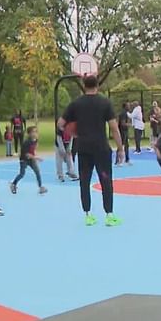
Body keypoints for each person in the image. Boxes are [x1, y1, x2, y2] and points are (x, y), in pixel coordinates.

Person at [57, 75, 125, 227]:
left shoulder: (76, 104)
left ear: (83, 85)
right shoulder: (105, 102)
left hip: (84, 147)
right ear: (97, 85)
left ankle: (88, 215)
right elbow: (114, 128)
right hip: (101, 148)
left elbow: (60, 124)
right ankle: (109, 214)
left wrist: (73, 132)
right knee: (106, 181)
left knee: (85, 182)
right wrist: (120, 148)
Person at [9, 126, 48, 195]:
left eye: (36, 131)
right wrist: (37, 158)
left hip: (31, 159)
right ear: (29, 134)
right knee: (22, 174)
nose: (35, 133)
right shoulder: (26, 142)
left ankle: (40, 187)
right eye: (33, 132)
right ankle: (13, 184)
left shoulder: (36, 140)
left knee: (37, 172)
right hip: (24, 159)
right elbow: (27, 155)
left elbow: (33, 150)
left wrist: (35, 155)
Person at [116, 102, 132, 166]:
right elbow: (122, 124)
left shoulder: (125, 113)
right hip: (122, 131)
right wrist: (129, 124)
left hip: (125, 131)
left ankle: (127, 159)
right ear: (125, 106)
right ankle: (119, 161)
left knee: (126, 146)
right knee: (121, 145)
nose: (129, 107)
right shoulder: (123, 114)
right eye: (128, 106)